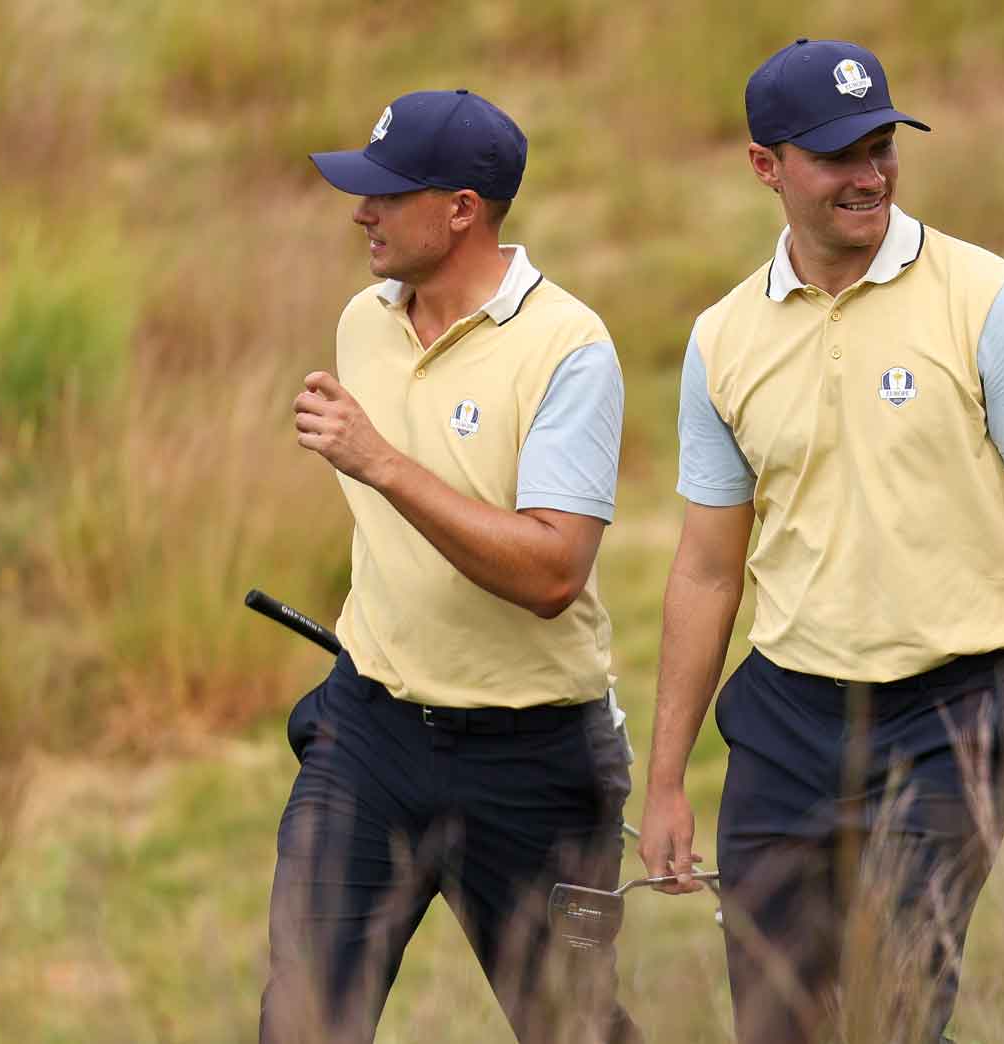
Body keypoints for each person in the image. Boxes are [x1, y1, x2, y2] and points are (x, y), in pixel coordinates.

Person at [637, 38, 1004, 1043]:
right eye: (837, 156)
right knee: (776, 1023)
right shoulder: (722, 339)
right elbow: (706, 570)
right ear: (766, 166)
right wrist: (665, 781)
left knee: (894, 1009)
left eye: (881, 147)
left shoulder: (991, 303)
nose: (869, 176)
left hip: (954, 716)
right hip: (784, 718)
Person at [260, 89, 639, 1044]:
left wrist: (381, 462)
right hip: (369, 732)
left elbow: (553, 573)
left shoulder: (569, 349)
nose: (361, 212)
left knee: (570, 1028)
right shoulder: (363, 320)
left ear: (463, 208)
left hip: (531, 756)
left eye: (387, 195)